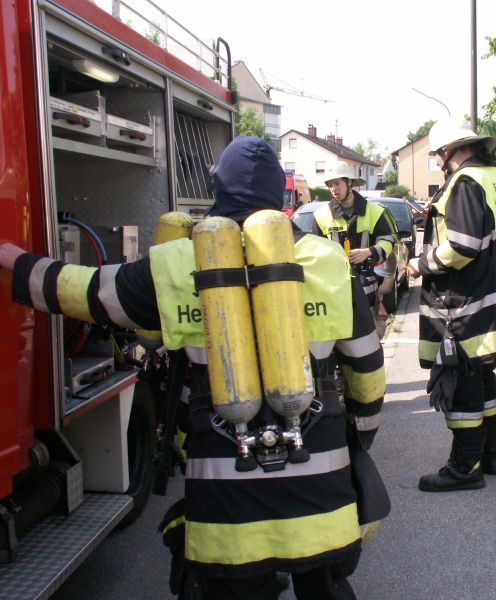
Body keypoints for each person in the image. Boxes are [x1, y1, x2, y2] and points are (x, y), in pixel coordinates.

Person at [0, 136, 386, 599]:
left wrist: (11, 261)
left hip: (227, 498)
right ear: (280, 198)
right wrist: (360, 435)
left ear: (216, 194)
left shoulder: (174, 263)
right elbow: (366, 364)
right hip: (319, 484)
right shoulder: (326, 261)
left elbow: (79, 291)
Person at [406, 118, 496, 493]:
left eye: (438, 155)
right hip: (494, 297)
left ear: (450, 151)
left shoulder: (463, 183)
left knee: (463, 385)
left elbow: (462, 245)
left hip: (465, 302)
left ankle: (464, 468)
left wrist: (419, 264)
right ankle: (489, 456)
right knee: (484, 376)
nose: (439, 162)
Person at [312, 161, 395, 310]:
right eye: (330, 185)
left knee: (369, 331)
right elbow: (315, 252)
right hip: (335, 290)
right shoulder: (321, 216)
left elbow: (388, 242)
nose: (333, 189)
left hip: (367, 290)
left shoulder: (374, 211)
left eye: (337, 183)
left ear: (349, 182)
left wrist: (368, 252)